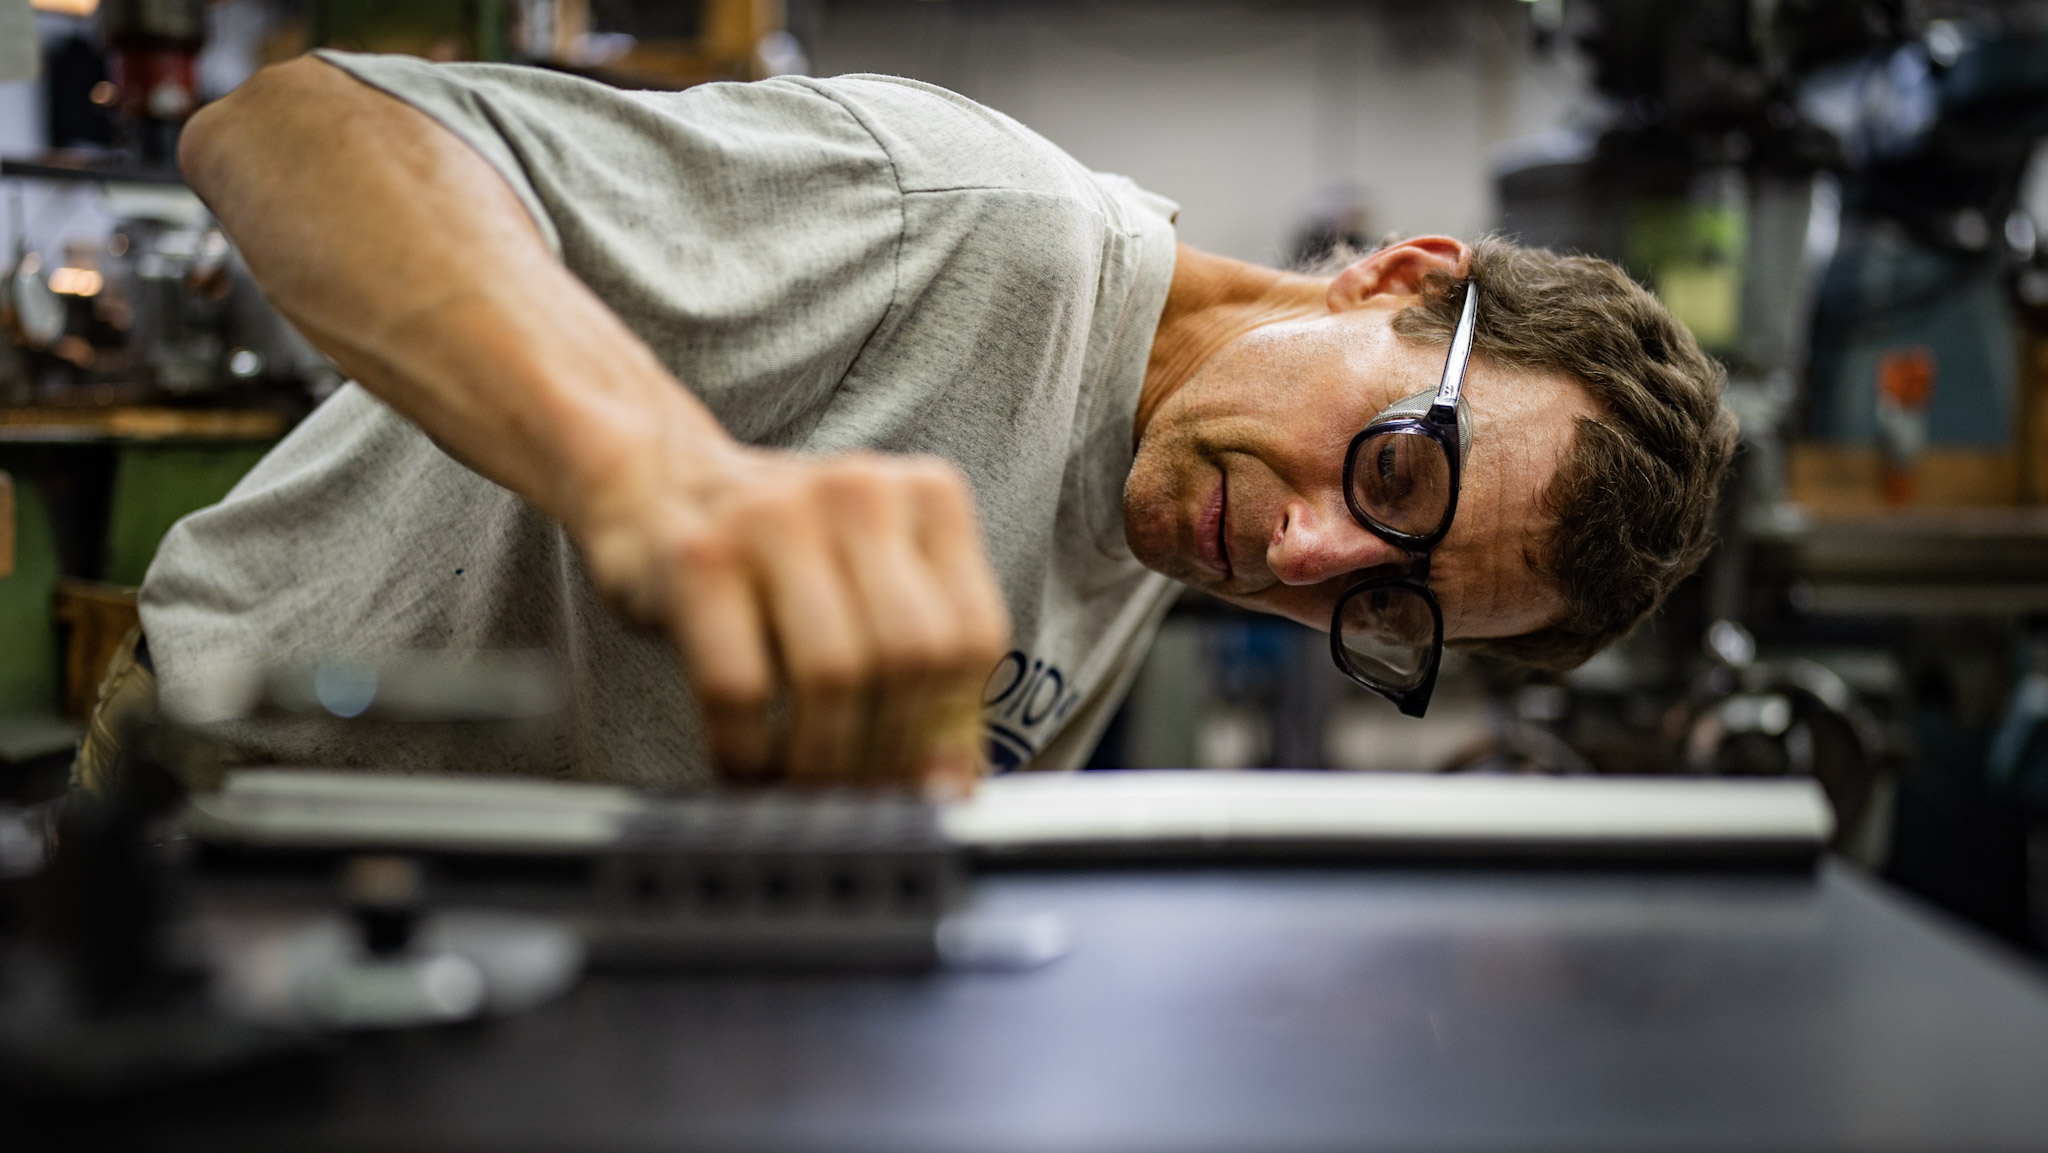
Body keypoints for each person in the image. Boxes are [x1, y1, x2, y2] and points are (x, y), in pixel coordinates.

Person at [129, 51, 1734, 794]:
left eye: (1380, 604)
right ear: (1396, 277)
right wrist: (652, 477)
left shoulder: (1166, 525)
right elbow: (292, 132)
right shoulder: (969, 225)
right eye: (1395, 467)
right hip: (237, 832)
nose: (1305, 555)